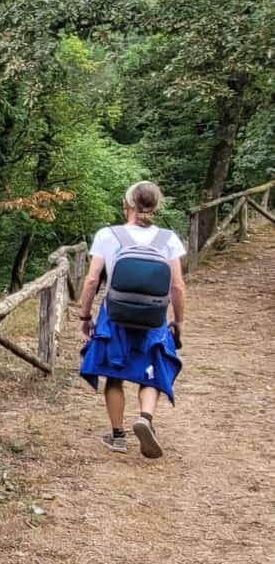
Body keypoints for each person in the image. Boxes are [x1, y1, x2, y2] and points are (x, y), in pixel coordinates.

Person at [77, 181, 186, 458]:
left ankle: (117, 436)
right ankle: (145, 418)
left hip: (115, 315)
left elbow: (92, 280)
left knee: (115, 376)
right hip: (153, 318)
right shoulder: (168, 239)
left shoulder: (107, 235)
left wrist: (85, 315)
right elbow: (177, 286)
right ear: (156, 207)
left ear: (125, 205)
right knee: (151, 370)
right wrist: (178, 321)